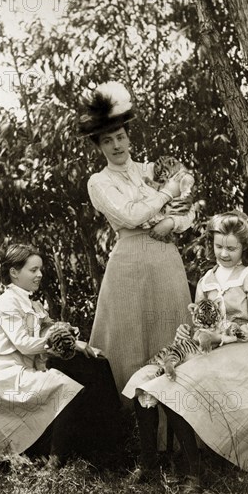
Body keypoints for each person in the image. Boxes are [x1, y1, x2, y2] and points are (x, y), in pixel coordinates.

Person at [123, 210, 248, 484]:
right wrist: (189, 331)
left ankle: (194, 472)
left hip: (244, 355)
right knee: (144, 380)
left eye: (231, 248)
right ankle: (149, 463)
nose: (224, 253)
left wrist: (222, 337)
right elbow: (203, 324)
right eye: (219, 246)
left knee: (177, 385)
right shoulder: (208, 279)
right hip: (209, 351)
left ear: (245, 246)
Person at [78, 81, 195, 408]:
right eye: (107, 140)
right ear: (98, 146)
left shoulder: (151, 170)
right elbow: (130, 216)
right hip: (128, 265)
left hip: (165, 259)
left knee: (173, 332)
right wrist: (167, 194)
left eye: (120, 137)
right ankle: (129, 426)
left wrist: (174, 221)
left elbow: (191, 205)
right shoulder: (99, 182)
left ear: (129, 137)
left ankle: (177, 420)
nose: (116, 145)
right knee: (128, 340)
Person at [0, 244, 97, 467]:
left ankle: (54, 451)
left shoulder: (30, 302)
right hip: (4, 375)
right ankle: (55, 459)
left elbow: (48, 328)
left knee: (68, 383)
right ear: (14, 272)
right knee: (64, 387)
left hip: (23, 369)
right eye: (33, 270)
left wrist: (73, 340)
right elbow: (24, 344)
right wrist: (53, 344)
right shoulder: (6, 303)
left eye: (40, 269)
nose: (40, 275)